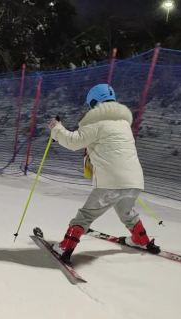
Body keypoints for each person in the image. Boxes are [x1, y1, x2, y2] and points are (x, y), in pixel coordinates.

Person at [49, 83, 159, 264]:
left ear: (93, 102)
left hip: (110, 182)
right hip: (134, 181)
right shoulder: (123, 123)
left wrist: (57, 129)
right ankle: (141, 239)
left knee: (85, 215)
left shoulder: (95, 121)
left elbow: (73, 142)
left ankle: (65, 246)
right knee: (126, 211)